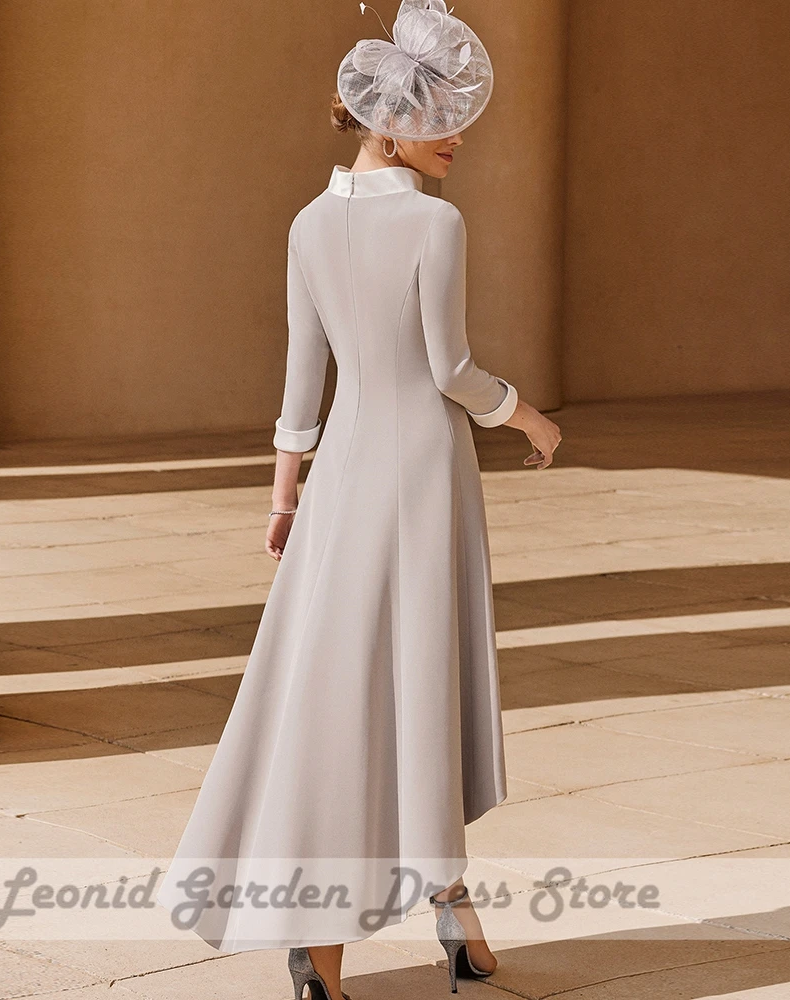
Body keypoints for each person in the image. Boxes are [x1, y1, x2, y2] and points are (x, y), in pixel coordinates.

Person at [156, 2, 562, 997]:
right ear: (389, 120)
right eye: (441, 117)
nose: (457, 136)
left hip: (341, 475)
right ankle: (426, 921)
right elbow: (451, 368)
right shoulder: (433, 222)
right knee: (419, 685)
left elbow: (303, 386)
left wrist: (285, 496)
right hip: (422, 472)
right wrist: (527, 416)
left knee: (342, 693)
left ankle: (367, 946)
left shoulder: (307, 224)